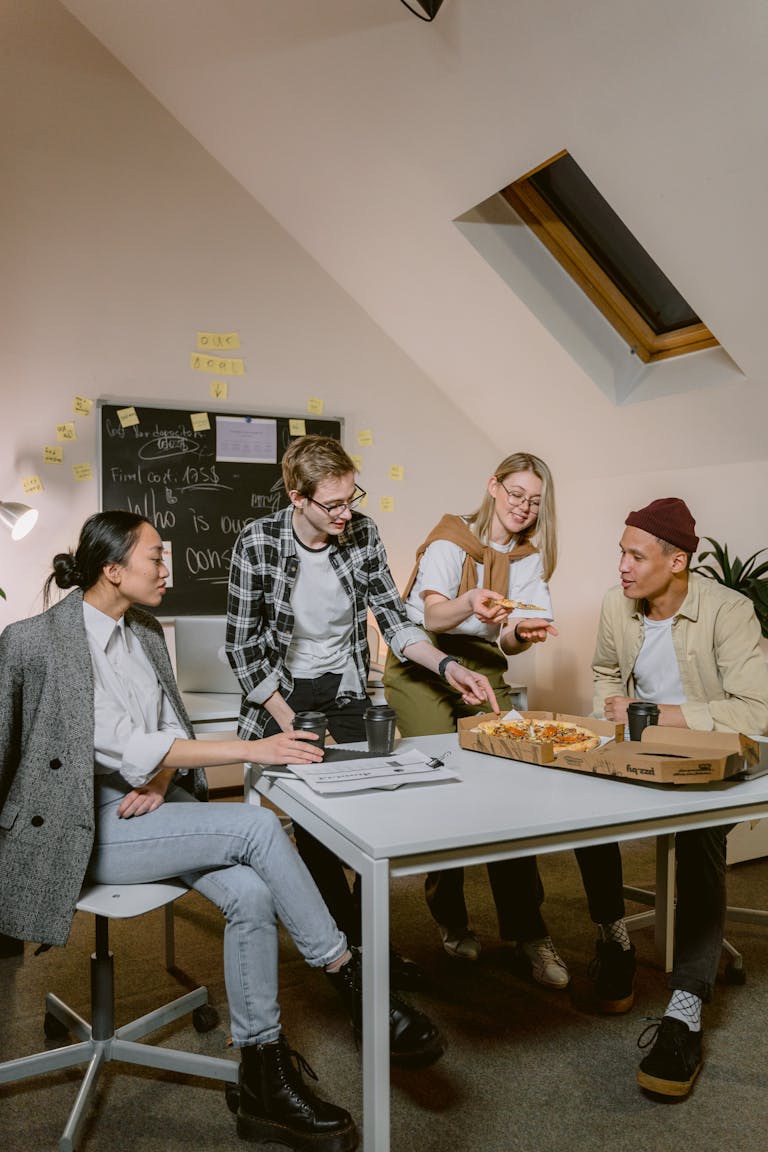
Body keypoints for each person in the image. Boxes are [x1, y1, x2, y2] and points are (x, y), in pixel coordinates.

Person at [0, 512, 444, 1152]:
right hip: (80, 825)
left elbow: (153, 735)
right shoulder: (37, 640)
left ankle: (262, 1072)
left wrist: (155, 781)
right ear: (112, 568)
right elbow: (66, 748)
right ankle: (357, 985)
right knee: (257, 828)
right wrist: (253, 750)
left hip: (145, 806)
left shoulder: (142, 631)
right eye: (156, 557)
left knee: (252, 894)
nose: (167, 569)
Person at [226, 434, 499, 991]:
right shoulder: (257, 543)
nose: (346, 513)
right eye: (333, 504)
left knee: (369, 814)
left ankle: (356, 944)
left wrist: (448, 667)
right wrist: (287, 720)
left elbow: (395, 621)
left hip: (347, 692)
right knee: (316, 826)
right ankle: (358, 955)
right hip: (283, 698)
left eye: (352, 497)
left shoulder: (362, 532)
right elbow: (241, 646)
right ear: (296, 497)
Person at [582, 497, 768, 1098]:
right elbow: (606, 673)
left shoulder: (729, 612)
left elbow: (759, 712)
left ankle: (686, 1006)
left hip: (715, 750)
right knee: (581, 808)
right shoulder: (618, 606)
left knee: (698, 833)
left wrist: (662, 713)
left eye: (636, 555)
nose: (623, 566)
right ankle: (613, 934)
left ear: (678, 560)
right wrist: (608, 729)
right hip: (642, 746)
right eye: (621, 552)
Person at [382, 452, 569, 988]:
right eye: (515, 494)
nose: (523, 508)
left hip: (482, 663)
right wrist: (469, 601)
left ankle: (528, 932)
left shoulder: (530, 556)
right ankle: (451, 917)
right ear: (492, 486)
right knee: (443, 781)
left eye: (534, 501)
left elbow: (510, 636)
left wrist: (522, 633)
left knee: (509, 781)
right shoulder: (451, 538)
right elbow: (434, 614)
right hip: (422, 661)